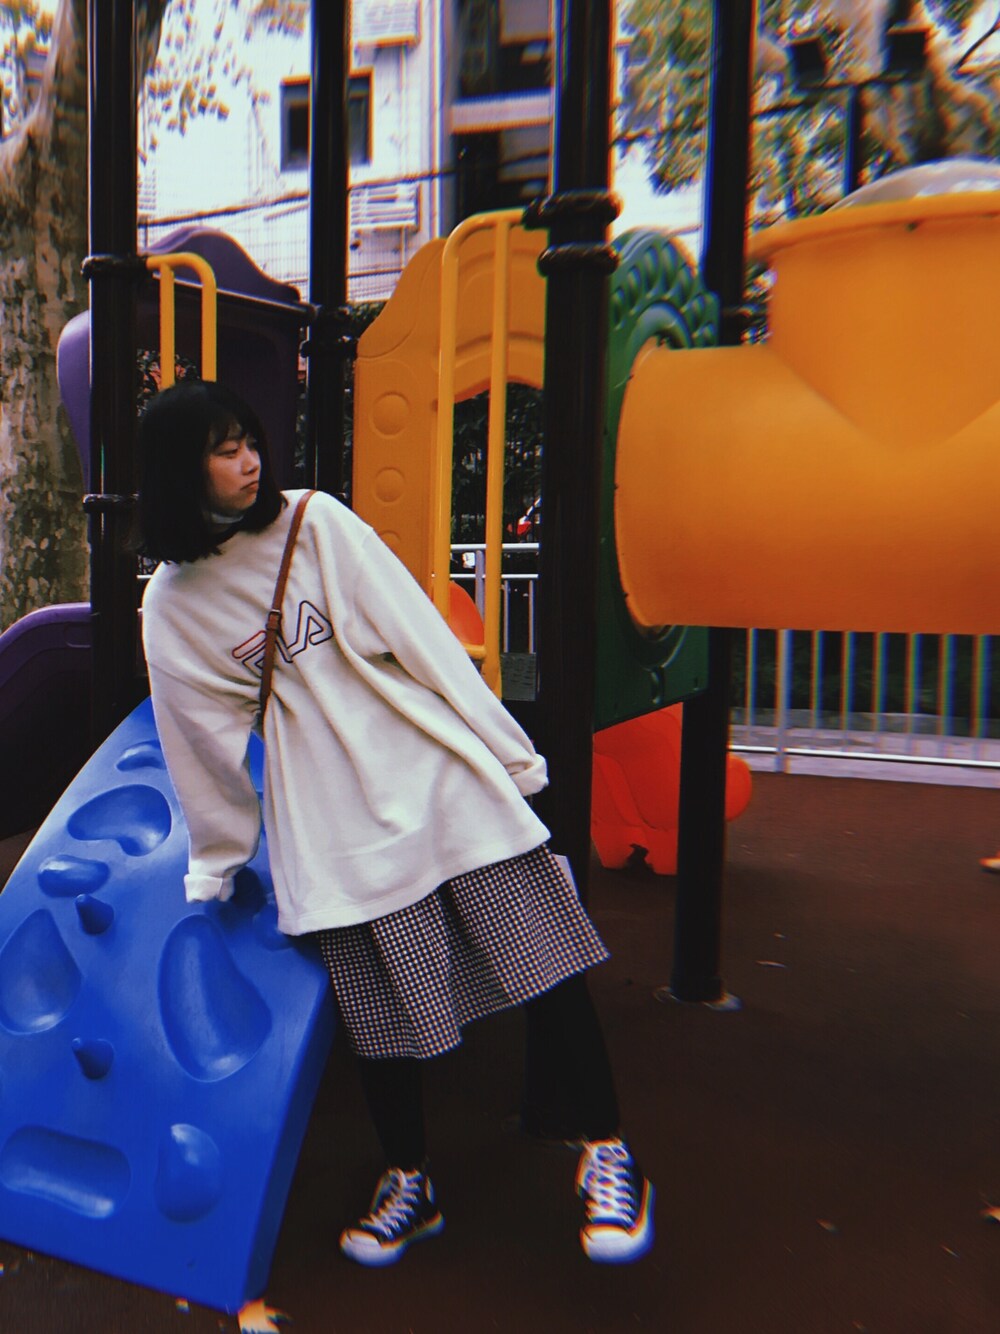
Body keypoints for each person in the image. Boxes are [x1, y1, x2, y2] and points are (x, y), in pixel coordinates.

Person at [137, 379, 653, 1268]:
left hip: (432, 773)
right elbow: (199, 743)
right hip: (329, 816)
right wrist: (219, 859)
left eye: (249, 439)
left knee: (546, 964)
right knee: (380, 1011)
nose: (251, 461)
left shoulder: (315, 524)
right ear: (181, 471)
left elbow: (424, 640)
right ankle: (409, 1179)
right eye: (225, 450)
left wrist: (508, 752)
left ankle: (608, 1149)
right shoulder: (174, 605)